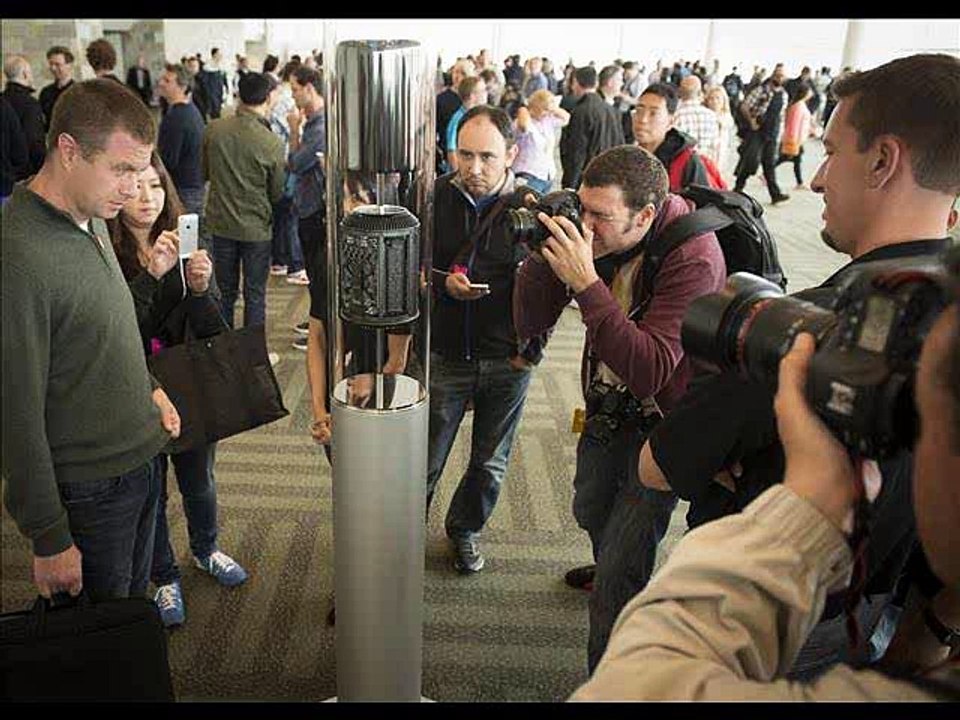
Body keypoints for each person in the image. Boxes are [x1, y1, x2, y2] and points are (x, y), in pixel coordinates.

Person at [626, 53, 960, 684]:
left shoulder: (813, 335)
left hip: (780, 622)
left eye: (831, 153)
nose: (816, 179)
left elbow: (657, 465)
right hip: (894, 617)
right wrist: (938, 624)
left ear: (883, 160)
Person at [572, 273, 960, 699]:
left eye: (921, 422)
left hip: (814, 619)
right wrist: (937, 622)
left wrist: (805, 512)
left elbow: (640, 684)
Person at [514, 143, 726, 672]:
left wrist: (586, 282)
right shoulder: (604, 231)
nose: (587, 227)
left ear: (646, 215)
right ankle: (610, 558)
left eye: (600, 217)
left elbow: (652, 369)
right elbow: (530, 321)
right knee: (590, 508)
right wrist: (546, 257)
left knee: (619, 576)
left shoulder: (694, 257)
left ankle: (610, 678)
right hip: (606, 407)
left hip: (663, 428)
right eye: (582, 210)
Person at [2, 78, 179, 602]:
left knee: (126, 612)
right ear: (69, 151)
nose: (132, 189)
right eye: (121, 170)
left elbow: (106, 326)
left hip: (140, 456)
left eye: (140, 171)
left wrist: (148, 386)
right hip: (90, 488)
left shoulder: (90, 214)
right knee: (93, 643)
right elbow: (15, 409)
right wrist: (49, 535)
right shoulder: (18, 258)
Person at [106, 152, 248, 627]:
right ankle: (163, 575)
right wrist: (152, 277)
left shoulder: (185, 241)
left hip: (189, 386)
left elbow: (215, 330)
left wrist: (203, 288)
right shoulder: (107, 251)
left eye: (157, 186)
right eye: (139, 187)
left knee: (199, 482)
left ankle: (206, 549)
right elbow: (119, 330)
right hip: (136, 388)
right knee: (150, 490)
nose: (148, 198)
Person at [428, 105, 543, 574]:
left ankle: (464, 530)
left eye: (488, 157)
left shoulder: (531, 210)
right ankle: (398, 540)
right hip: (446, 355)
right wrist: (442, 283)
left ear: (511, 155)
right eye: (465, 155)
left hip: (507, 359)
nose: (474, 169)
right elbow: (408, 267)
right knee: (423, 461)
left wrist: (529, 351)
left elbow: (553, 285)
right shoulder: (433, 197)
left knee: (489, 463)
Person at [203, 72, 286, 330]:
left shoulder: (214, 129)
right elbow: (277, 192)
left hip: (220, 223)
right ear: (268, 97)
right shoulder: (271, 142)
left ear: (239, 94)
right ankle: (254, 355)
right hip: (256, 228)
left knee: (224, 292)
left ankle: (224, 350)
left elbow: (204, 172)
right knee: (255, 294)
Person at [633, 83, 717, 192]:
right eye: (639, 111)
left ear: (670, 122)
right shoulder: (627, 155)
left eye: (653, 113)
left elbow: (704, 205)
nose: (643, 120)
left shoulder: (687, 161)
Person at [560, 66, 624, 190]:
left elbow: (577, 152)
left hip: (585, 181)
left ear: (576, 83)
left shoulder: (581, 110)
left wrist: (570, 186)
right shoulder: (612, 111)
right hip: (607, 180)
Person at [734, 64, 790, 204]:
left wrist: (780, 135)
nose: (779, 78)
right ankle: (737, 188)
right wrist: (752, 121)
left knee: (769, 164)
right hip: (757, 132)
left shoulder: (783, 95)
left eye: (782, 75)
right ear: (772, 75)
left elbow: (782, 116)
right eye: (777, 75)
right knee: (751, 161)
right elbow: (744, 106)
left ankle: (775, 194)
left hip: (773, 132)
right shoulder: (761, 90)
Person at [156, 63, 205, 217]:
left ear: (183, 87)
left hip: (183, 190)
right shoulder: (190, 110)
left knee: (182, 238)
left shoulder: (176, 117)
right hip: (194, 186)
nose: (161, 83)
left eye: (167, 80)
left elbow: (168, 160)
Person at [512, 88, 570, 194]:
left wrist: (552, 108)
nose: (546, 113)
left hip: (547, 175)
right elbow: (523, 126)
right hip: (528, 174)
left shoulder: (547, 120)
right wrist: (524, 110)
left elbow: (566, 118)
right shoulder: (523, 120)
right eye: (544, 109)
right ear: (535, 107)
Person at [2, 55, 46, 175]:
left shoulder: (2, 101)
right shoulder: (29, 104)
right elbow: (34, 142)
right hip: (23, 175)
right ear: (25, 74)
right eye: (30, 72)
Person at [777, 83, 819, 190]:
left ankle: (799, 182)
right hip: (795, 139)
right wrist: (793, 139)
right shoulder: (798, 106)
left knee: (791, 159)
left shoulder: (800, 105)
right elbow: (794, 124)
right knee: (789, 158)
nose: (811, 93)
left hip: (798, 139)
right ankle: (799, 182)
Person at [38, 45, 75, 132]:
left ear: (69, 65)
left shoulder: (78, 91)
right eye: (51, 64)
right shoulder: (45, 92)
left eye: (57, 64)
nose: (53, 68)